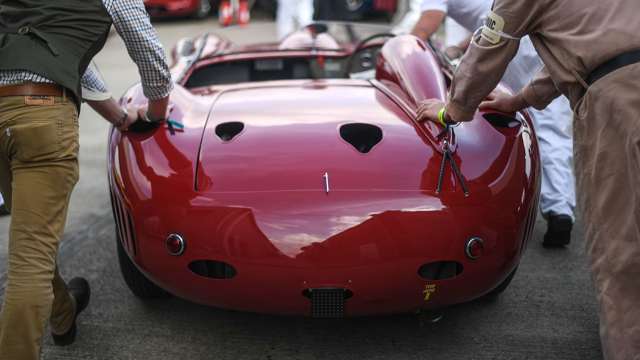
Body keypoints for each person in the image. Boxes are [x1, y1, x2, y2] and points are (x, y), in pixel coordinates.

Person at [416, 0, 640, 357]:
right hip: (617, 77)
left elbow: (490, 44)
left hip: (620, 103)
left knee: (623, 250)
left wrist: (453, 109)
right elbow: (594, 47)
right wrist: (520, 99)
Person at [0, 0, 173, 359]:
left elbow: (67, 54)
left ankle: (62, 312)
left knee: (30, 237)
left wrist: (119, 115)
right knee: (30, 258)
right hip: (40, 114)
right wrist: (157, 108)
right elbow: (142, 40)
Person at [410, 0, 576, 247]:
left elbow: (424, 30)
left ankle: (496, 202)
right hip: (542, 41)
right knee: (552, 129)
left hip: (512, 42)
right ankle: (559, 209)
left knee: (496, 115)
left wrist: (399, 46)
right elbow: (490, 21)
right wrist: (459, 47)